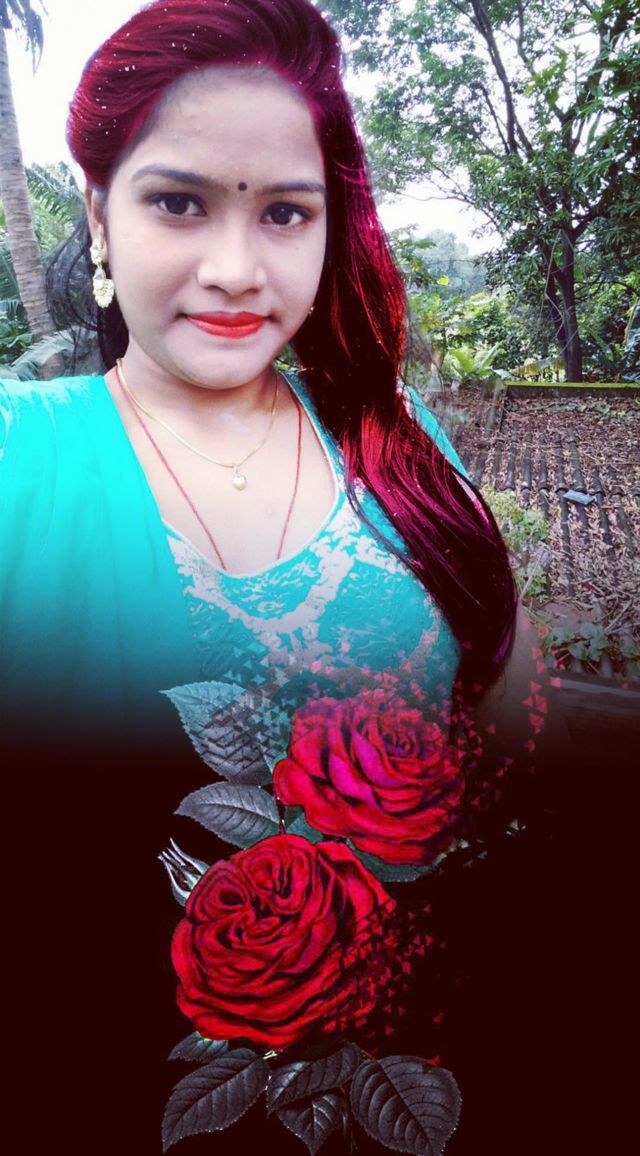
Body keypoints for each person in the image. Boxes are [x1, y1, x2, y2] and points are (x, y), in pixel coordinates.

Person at [1, 2, 565, 1154]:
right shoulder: (24, 460)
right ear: (98, 215)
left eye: (284, 211)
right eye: (178, 202)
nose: (235, 269)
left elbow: (516, 734)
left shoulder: (399, 447)